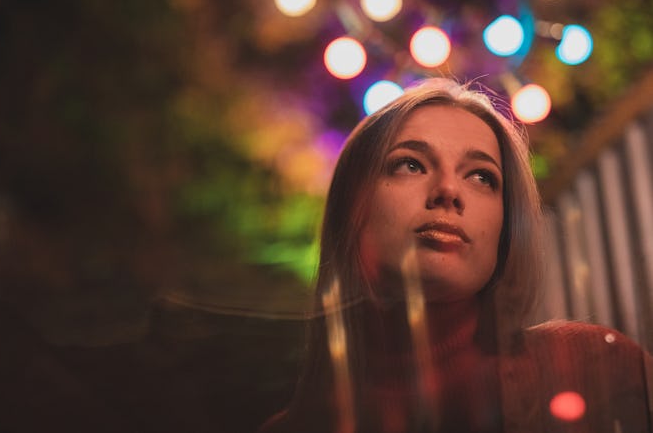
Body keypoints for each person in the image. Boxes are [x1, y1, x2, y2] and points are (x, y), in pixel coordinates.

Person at [259, 78, 652, 433]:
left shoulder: (596, 369)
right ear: (351, 204)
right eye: (410, 164)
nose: (448, 190)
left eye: (482, 176)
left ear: (506, 225)